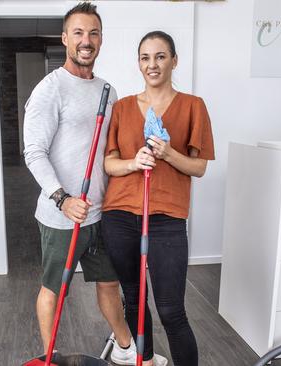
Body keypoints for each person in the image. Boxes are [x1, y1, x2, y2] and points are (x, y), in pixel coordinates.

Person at [23, 3, 168, 365]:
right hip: (63, 215)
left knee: (109, 284)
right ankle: (50, 357)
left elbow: (110, 149)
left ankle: (123, 348)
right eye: (78, 33)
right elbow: (34, 152)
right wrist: (62, 199)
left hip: (102, 212)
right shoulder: (49, 89)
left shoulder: (108, 90)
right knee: (54, 290)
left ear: (100, 39)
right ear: (65, 39)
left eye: (93, 33)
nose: (86, 41)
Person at [101, 30, 215, 366]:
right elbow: (109, 163)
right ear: (138, 63)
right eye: (145, 58)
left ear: (174, 61)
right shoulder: (121, 108)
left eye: (161, 56)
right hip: (120, 215)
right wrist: (134, 162)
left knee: (171, 309)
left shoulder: (193, 106)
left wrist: (168, 154)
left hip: (166, 218)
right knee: (134, 302)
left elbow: (199, 167)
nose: (153, 64)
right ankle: (145, 362)